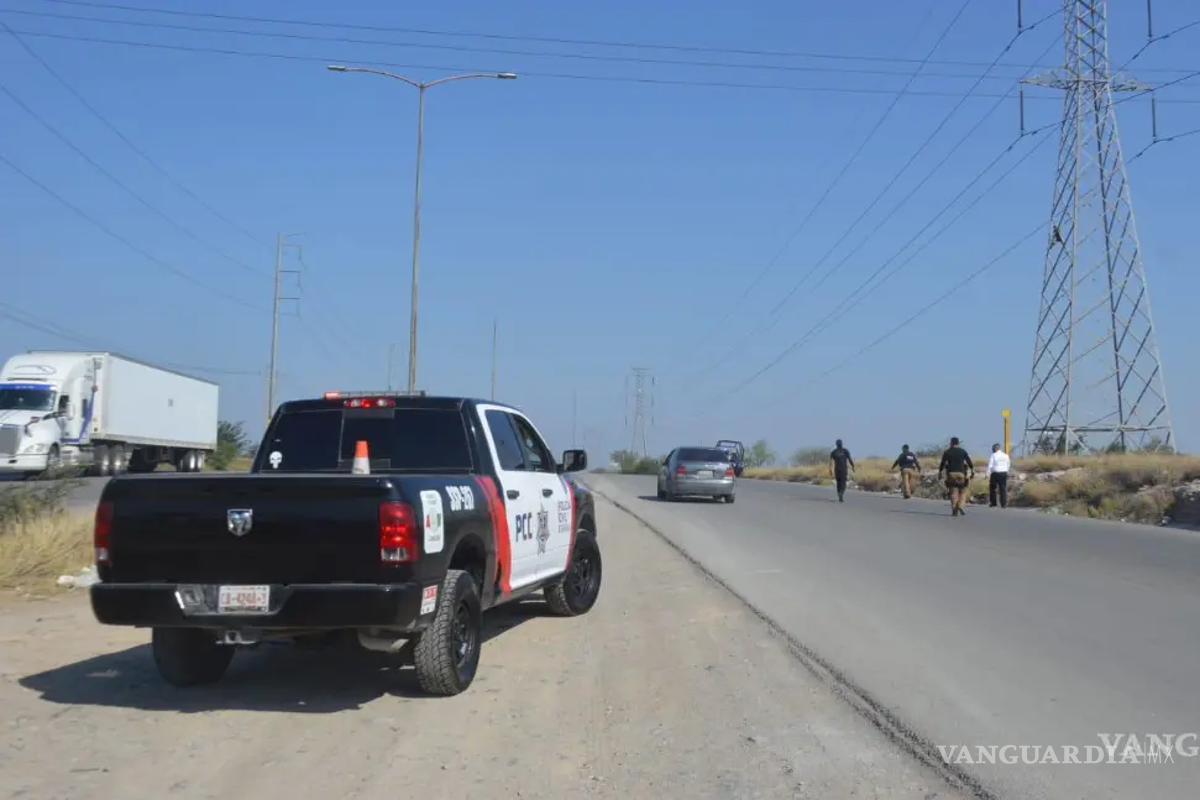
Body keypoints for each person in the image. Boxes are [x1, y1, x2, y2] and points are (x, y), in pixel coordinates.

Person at [937, 436, 975, 517]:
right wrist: (972, 471)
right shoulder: (963, 451)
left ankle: (954, 508)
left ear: (951, 443)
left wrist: (940, 472)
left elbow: (942, 463)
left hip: (951, 474)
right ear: (958, 443)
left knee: (953, 492)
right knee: (962, 491)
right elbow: (969, 462)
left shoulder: (947, 452)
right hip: (961, 474)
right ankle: (960, 506)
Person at [986, 443, 1011, 508]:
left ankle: (993, 503)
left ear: (995, 448)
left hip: (995, 473)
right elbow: (1008, 464)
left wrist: (987, 474)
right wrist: (1007, 472)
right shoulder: (1006, 455)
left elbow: (990, 465)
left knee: (993, 488)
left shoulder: (993, 455)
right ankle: (1003, 504)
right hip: (1004, 473)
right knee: (1003, 488)